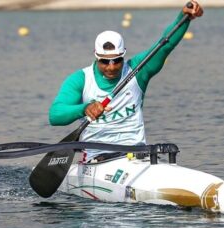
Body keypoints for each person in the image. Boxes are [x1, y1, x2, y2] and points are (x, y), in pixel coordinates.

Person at [49, 1, 203, 162]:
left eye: (117, 60)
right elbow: (55, 116)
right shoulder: (80, 80)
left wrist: (184, 17)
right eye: (104, 61)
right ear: (96, 56)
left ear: (123, 55)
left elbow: (164, 45)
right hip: (97, 160)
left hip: (137, 156)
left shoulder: (138, 70)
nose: (111, 67)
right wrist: (85, 108)